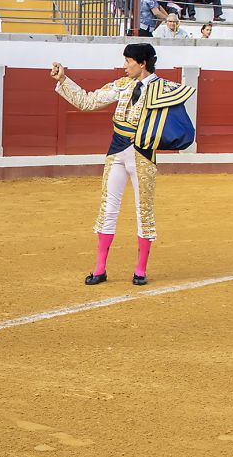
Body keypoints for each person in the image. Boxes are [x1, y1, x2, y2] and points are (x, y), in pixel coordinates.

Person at [51, 44, 194, 286]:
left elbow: (180, 130)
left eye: (128, 61)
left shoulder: (165, 90)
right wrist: (64, 79)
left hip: (143, 155)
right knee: (108, 208)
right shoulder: (122, 85)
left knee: (144, 210)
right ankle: (100, 268)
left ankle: (140, 269)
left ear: (142, 64)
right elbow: (88, 101)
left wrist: (150, 137)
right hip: (116, 152)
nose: (125, 65)